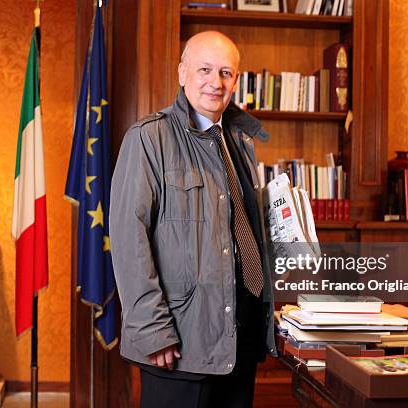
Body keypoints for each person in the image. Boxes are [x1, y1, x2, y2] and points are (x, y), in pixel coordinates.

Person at [110, 30, 275, 408]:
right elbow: (127, 240)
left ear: (235, 81)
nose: (215, 83)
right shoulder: (148, 139)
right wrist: (153, 330)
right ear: (182, 72)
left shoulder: (240, 143)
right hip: (178, 345)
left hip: (239, 340)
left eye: (226, 73)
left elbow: (242, 231)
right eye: (204, 69)